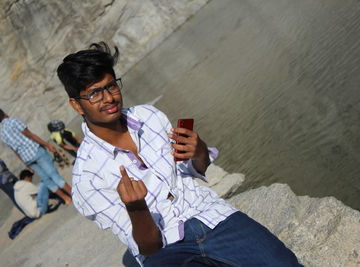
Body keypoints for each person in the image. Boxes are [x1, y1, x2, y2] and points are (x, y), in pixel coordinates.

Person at [57, 42, 302, 266]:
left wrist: (199, 151)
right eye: (94, 93)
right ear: (77, 105)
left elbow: (194, 169)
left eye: (111, 85)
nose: (109, 98)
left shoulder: (149, 117)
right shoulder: (86, 180)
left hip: (210, 215)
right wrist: (136, 208)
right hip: (166, 249)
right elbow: (149, 247)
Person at [0, 108, 72, 205]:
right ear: (4, 113)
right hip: (35, 150)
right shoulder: (14, 121)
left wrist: (25, 164)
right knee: (53, 174)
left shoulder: (2, 134)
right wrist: (47, 145)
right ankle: (72, 193)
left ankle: (65, 198)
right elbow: (30, 135)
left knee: (45, 178)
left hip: (27, 158)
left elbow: (15, 150)